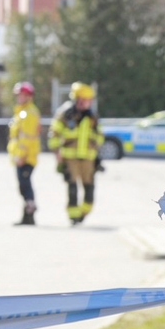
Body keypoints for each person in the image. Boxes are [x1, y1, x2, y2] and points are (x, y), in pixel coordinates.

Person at [49, 82, 102, 225]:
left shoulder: (92, 117)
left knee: (89, 190)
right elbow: (54, 134)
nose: (87, 104)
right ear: (77, 99)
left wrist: (96, 150)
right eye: (84, 100)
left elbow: (99, 137)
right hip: (70, 158)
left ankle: (84, 213)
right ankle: (73, 216)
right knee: (72, 188)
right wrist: (57, 153)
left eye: (89, 101)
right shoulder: (65, 114)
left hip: (88, 160)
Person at [7, 81, 42, 225]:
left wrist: (21, 156)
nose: (20, 97)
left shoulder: (29, 114)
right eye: (19, 95)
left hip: (26, 157)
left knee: (25, 184)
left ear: (29, 97)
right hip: (22, 156)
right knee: (23, 185)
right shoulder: (21, 112)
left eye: (23, 95)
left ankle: (31, 207)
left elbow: (26, 138)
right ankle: (28, 217)